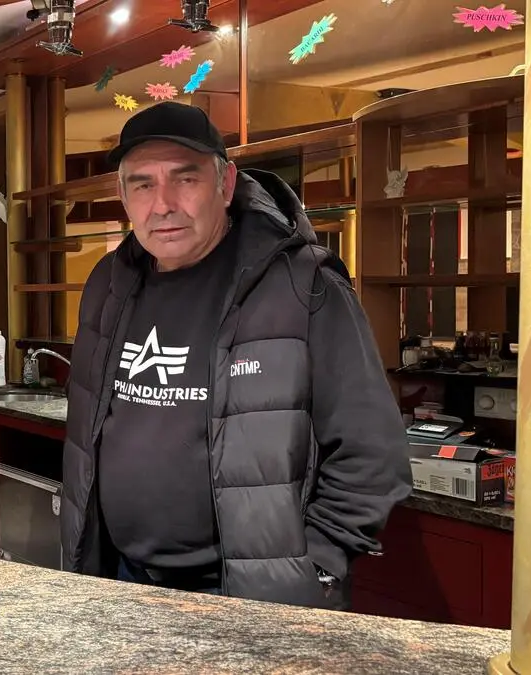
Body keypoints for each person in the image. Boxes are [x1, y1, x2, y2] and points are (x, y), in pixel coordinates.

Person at [60, 102, 411, 609]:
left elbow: (372, 453)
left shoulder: (303, 286)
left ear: (226, 184)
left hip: (248, 598)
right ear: (123, 197)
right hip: (119, 580)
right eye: (143, 184)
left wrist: (314, 568)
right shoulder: (107, 283)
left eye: (185, 179)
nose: (163, 204)